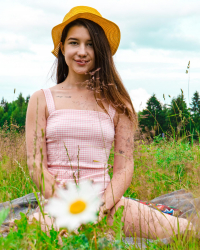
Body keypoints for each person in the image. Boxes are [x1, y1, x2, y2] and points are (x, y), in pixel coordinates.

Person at [25, 6, 192, 239]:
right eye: (74, 42)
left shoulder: (117, 102)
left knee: (188, 233)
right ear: (62, 48)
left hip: (108, 204)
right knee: (43, 239)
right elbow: (35, 163)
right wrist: (69, 208)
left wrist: (101, 208)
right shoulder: (42, 99)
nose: (82, 51)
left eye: (91, 44)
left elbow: (124, 168)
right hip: (58, 206)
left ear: (101, 49)